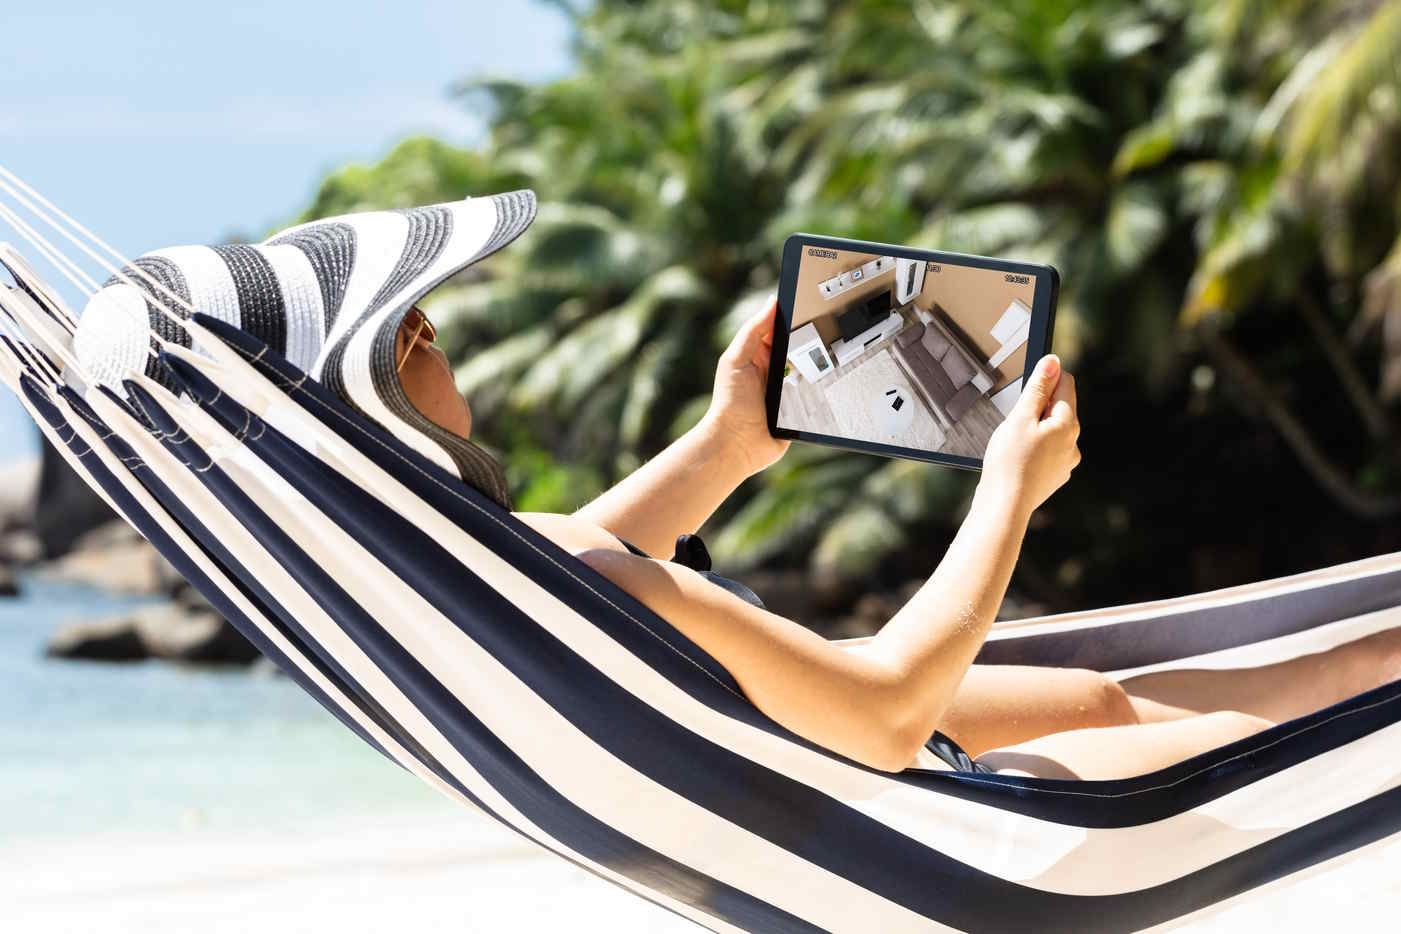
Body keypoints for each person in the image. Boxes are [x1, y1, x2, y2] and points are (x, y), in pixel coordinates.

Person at [381, 298, 1401, 778]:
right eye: (416, 331)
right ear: (371, 397)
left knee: (1097, 697)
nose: (444, 332)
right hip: (882, 796)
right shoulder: (526, 570)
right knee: (1322, 760)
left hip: (803, 747)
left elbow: (584, 568)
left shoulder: (462, 566)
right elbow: (885, 719)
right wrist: (1011, 489)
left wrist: (730, 442)